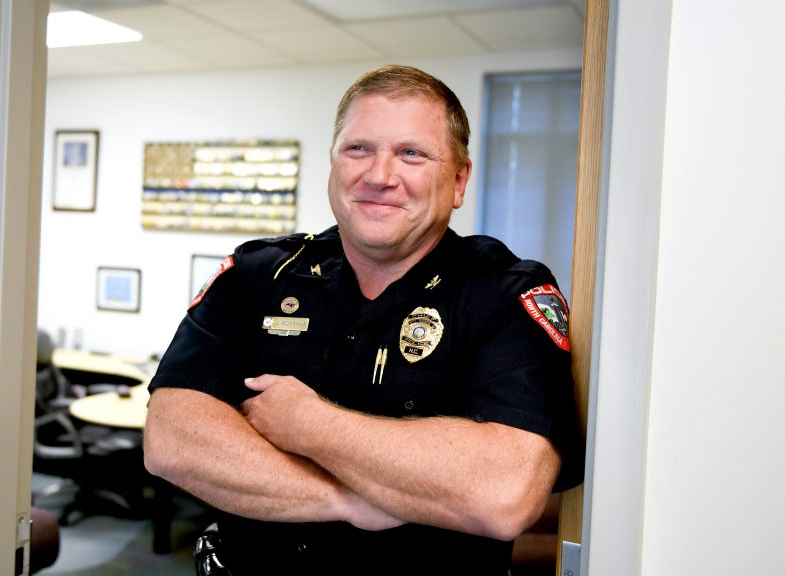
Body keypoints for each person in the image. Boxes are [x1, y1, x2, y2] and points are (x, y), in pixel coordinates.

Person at [143, 64, 583, 575]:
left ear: (459, 180)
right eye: (358, 149)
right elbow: (172, 439)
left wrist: (309, 425)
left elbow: (504, 492)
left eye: (412, 153)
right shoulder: (257, 274)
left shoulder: (507, 294)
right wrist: (354, 500)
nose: (379, 176)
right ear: (333, 165)